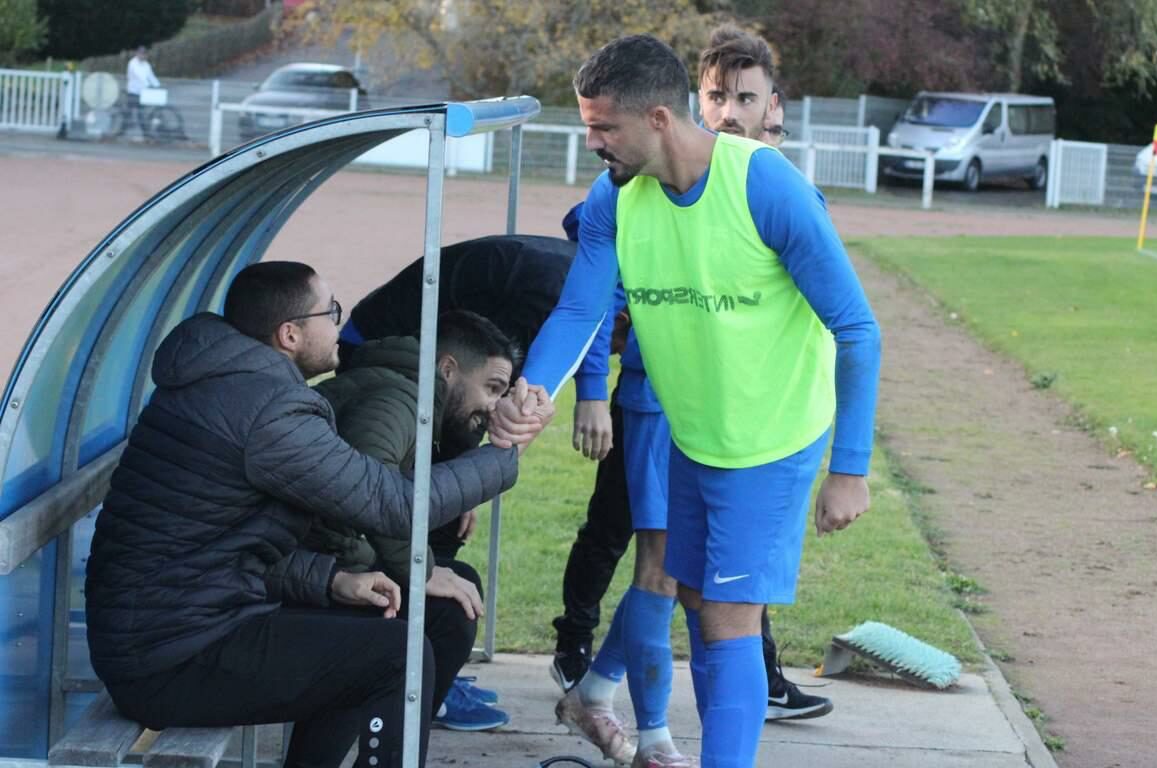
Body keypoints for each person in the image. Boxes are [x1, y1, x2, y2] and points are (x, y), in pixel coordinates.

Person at [491, 34, 880, 768]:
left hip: (772, 440)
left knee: (729, 618)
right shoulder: (613, 197)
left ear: (659, 119)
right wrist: (532, 390)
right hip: (691, 438)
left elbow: (857, 328)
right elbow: (580, 310)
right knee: (696, 602)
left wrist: (850, 466)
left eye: (604, 128)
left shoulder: (766, 186)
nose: (592, 143)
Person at [85, 261, 522, 768]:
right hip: (172, 658)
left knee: (381, 627)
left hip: (172, 633)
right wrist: (504, 452)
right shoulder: (265, 410)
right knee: (397, 655)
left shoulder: (231, 385)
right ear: (289, 334)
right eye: (330, 312)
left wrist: (331, 580)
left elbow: (220, 549)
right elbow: (394, 504)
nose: (340, 324)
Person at [307, 310, 521, 732]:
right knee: (442, 615)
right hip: (306, 570)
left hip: (320, 557)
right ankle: (390, 743)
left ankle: (396, 735)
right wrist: (417, 569)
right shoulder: (396, 399)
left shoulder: (406, 392)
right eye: (492, 388)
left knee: (458, 585)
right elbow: (367, 495)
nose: (495, 406)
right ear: (448, 369)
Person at [124, 45, 160, 140]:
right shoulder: (132, 63)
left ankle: (146, 135)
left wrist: (157, 85)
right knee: (128, 114)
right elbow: (139, 76)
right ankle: (120, 132)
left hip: (142, 93)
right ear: (137, 54)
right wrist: (148, 85)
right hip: (133, 92)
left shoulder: (146, 65)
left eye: (144, 54)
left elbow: (151, 76)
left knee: (141, 115)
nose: (143, 56)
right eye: (141, 53)